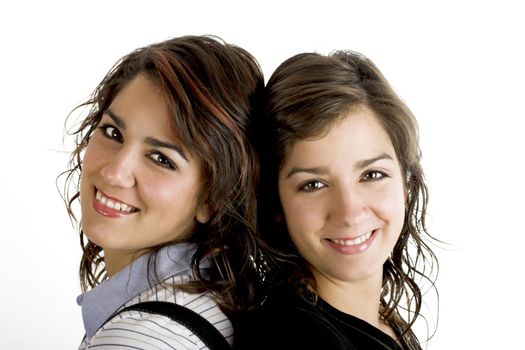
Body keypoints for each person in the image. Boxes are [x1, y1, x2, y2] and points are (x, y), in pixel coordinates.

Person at [61, 35, 265, 349]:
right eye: (113, 132)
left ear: (212, 197)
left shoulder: (141, 340)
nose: (115, 173)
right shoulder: (209, 302)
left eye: (161, 159)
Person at [232, 51, 439, 349]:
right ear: (275, 204)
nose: (350, 212)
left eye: (372, 175)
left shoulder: (378, 322)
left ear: (405, 182)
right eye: (313, 184)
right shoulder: (291, 338)